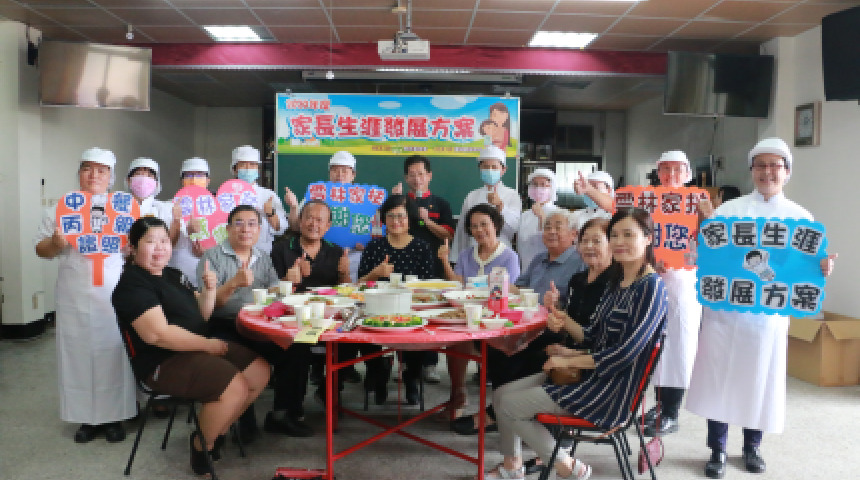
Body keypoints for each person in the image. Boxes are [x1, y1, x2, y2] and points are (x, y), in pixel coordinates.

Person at [687, 138, 837, 479]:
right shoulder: (729, 211)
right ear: (752, 170)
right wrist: (701, 241)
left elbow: (806, 267)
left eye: (775, 165)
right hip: (725, 315)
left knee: (759, 381)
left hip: (766, 318)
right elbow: (707, 256)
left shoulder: (800, 218)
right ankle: (717, 449)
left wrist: (822, 268)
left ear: (787, 172)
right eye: (761, 165)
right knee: (720, 380)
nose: (767, 172)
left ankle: (752, 447)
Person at [480, 208, 668, 480]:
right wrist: (563, 320)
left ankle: (567, 467)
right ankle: (514, 466)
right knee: (500, 395)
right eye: (615, 235)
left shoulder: (650, 287)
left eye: (628, 235)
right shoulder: (617, 282)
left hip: (609, 390)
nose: (619, 242)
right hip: (588, 375)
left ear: (648, 238)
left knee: (509, 404)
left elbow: (625, 353)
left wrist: (567, 359)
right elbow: (593, 335)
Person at [111, 217, 270, 475]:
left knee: (259, 371)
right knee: (235, 386)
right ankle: (201, 444)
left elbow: (201, 315)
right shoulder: (132, 284)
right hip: (163, 361)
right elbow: (158, 335)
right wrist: (207, 345)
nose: (160, 247)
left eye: (164, 241)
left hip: (195, 348)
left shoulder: (173, 275)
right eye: (150, 242)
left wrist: (209, 291)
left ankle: (217, 431)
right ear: (133, 247)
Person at [576, 151, 701, 437]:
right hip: (649, 278)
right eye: (666, 169)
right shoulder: (648, 201)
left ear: (688, 174)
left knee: (677, 346)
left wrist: (687, 257)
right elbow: (615, 206)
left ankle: (671, 411)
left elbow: (708, 241)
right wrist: (589, 191)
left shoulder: (697, 204)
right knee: (650, 347)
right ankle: (657, 405)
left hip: (682, 283)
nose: (671, 175)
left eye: (678, 169)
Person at [451, 209, 585, 439]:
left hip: (555, 330)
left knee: (508, 355)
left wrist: (557, 304)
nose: (551, 231)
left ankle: (499, 414)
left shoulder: (579, 262)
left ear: (574, 234)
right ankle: (502, 412)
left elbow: (579, 307)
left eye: (558, 227)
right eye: (547, 227)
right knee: (494, 346)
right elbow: (518, 288)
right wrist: (494, 282)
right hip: (528, 324)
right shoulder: (539, 259)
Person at [35, 147, 136, 443]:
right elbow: (40, 250)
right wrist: (56, 243)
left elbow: (140, 249)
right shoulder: (61, 209)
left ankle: (115, 416)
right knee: (76, 352)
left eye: (101, 170)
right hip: (74, 292)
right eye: (87, 169)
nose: (94, 175)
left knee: (114, 351)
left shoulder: (124, 209)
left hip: (113, 291)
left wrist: (132, 249)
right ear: (79, 173)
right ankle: (86, 418)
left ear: (111, 177)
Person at [200, 205, 313, 439]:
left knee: (298, 347)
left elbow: (274, 294)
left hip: (259, 325)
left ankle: (282, 415)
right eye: (239, 223)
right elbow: (209, 305)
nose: (246, 229)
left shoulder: (262, 257)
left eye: (252, 224)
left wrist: (288, 281)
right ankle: (241, 417)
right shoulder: (212, 257)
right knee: (242, 356)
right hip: (225, 324)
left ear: (259, 230)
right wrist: (234, 283)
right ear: (228, 229)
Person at [438, 203, 521, 419]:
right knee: (456, 339)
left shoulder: (509, 256)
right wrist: (445, 261)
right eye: (474, 226)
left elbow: (509, 292)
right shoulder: (466, 255)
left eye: (484, 224)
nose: (479, 230)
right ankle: (458, 394)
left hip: (496, 320)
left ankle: (498, 407)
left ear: (496, 225)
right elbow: (458, 284)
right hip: (468, 316)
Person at [357, 194, 436, 404]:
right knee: (363, 329)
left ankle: (411, 377)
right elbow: (359, 284)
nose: (395, 221)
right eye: (390, 216)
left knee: (420, 334)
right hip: (377, 309)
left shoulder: (421, 247)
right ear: (384, 219)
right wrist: (375, 273)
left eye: (401, 216)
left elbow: (428, 285)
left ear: (410, 219)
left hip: (411, 308)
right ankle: (378, 372)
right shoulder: (374, 247)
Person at [390, 155, 455, 383]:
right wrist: (394, 201)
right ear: (406, 177)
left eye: (421, 174)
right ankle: (403, 364)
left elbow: (448, 234)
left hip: (433, 267)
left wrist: (428, 221)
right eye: (412, 174)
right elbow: (388, 229)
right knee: (402, 313)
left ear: (429, 175)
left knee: (430, 315)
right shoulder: (399, 203)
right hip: (403, 265)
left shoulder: (441, 204)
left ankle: (430, 364)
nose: (417, 178)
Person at [286, 150, 364, 282]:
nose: (339, 175)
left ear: (353, 175)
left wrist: (366, 242)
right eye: (335, 170)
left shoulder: (365, 198)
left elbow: (376, 230)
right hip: (322, 255)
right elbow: (295, 227)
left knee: (350, 289)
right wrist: (294, 207)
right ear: (329, 173)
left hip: (354, 255)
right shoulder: (315, 194)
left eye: (344, 171)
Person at [450, 145, 522, 263]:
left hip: (502, 254)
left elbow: (514, 228)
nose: (490, 170)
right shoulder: (472, 196)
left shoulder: (512, 195)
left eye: (494, 167)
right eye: (486, 167)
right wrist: (457, 258)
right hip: (474, 254)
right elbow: (463, 230)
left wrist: (501, 208)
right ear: (480, 169)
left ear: (503, 170)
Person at [271, 199, 351, 290]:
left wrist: (344, 274)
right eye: (309, 218)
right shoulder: (280, 249)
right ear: (300, 221)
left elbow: (346, 291)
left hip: (329, 299)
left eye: (319, 220)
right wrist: (287, 280)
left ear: (328, 226)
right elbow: (271, 289)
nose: (313, 224)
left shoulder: (337, 252)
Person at [230, 145, 287, 254]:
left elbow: (280, 230)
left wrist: (270, 213)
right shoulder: (226, 195)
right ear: (235, 169)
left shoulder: (268, 195)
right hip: (231, 252)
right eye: (243, 164)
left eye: (252, 164)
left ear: (258, 170)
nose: (248, 168)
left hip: (262, 253)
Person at [168, 157, 212, 288]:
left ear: (208, 180)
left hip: (208, 275)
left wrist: (207, 252)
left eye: (199, 175)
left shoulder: (218, 208)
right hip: (176, 272)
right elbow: (166, 243)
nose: (194, 179)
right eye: (188, 175)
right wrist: (177, 222)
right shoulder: (168, 206)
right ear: (181, 181)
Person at [125, 157, 180, 245]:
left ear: (156, 183)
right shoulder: (118, 206)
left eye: (149, 176)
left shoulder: (163, 208)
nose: (143, 179)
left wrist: (176, 221)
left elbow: (170, 243)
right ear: (128, 180)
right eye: (138, 174)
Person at [517, 168, 559, 271]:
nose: (538, 188)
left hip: (549, 268)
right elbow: (520, 244)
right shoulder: (525, 215)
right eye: (535, 185)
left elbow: (556, 242)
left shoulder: (559, 213)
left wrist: (542, 217)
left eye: (543, 185)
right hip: (526, 268)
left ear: (552, 188)